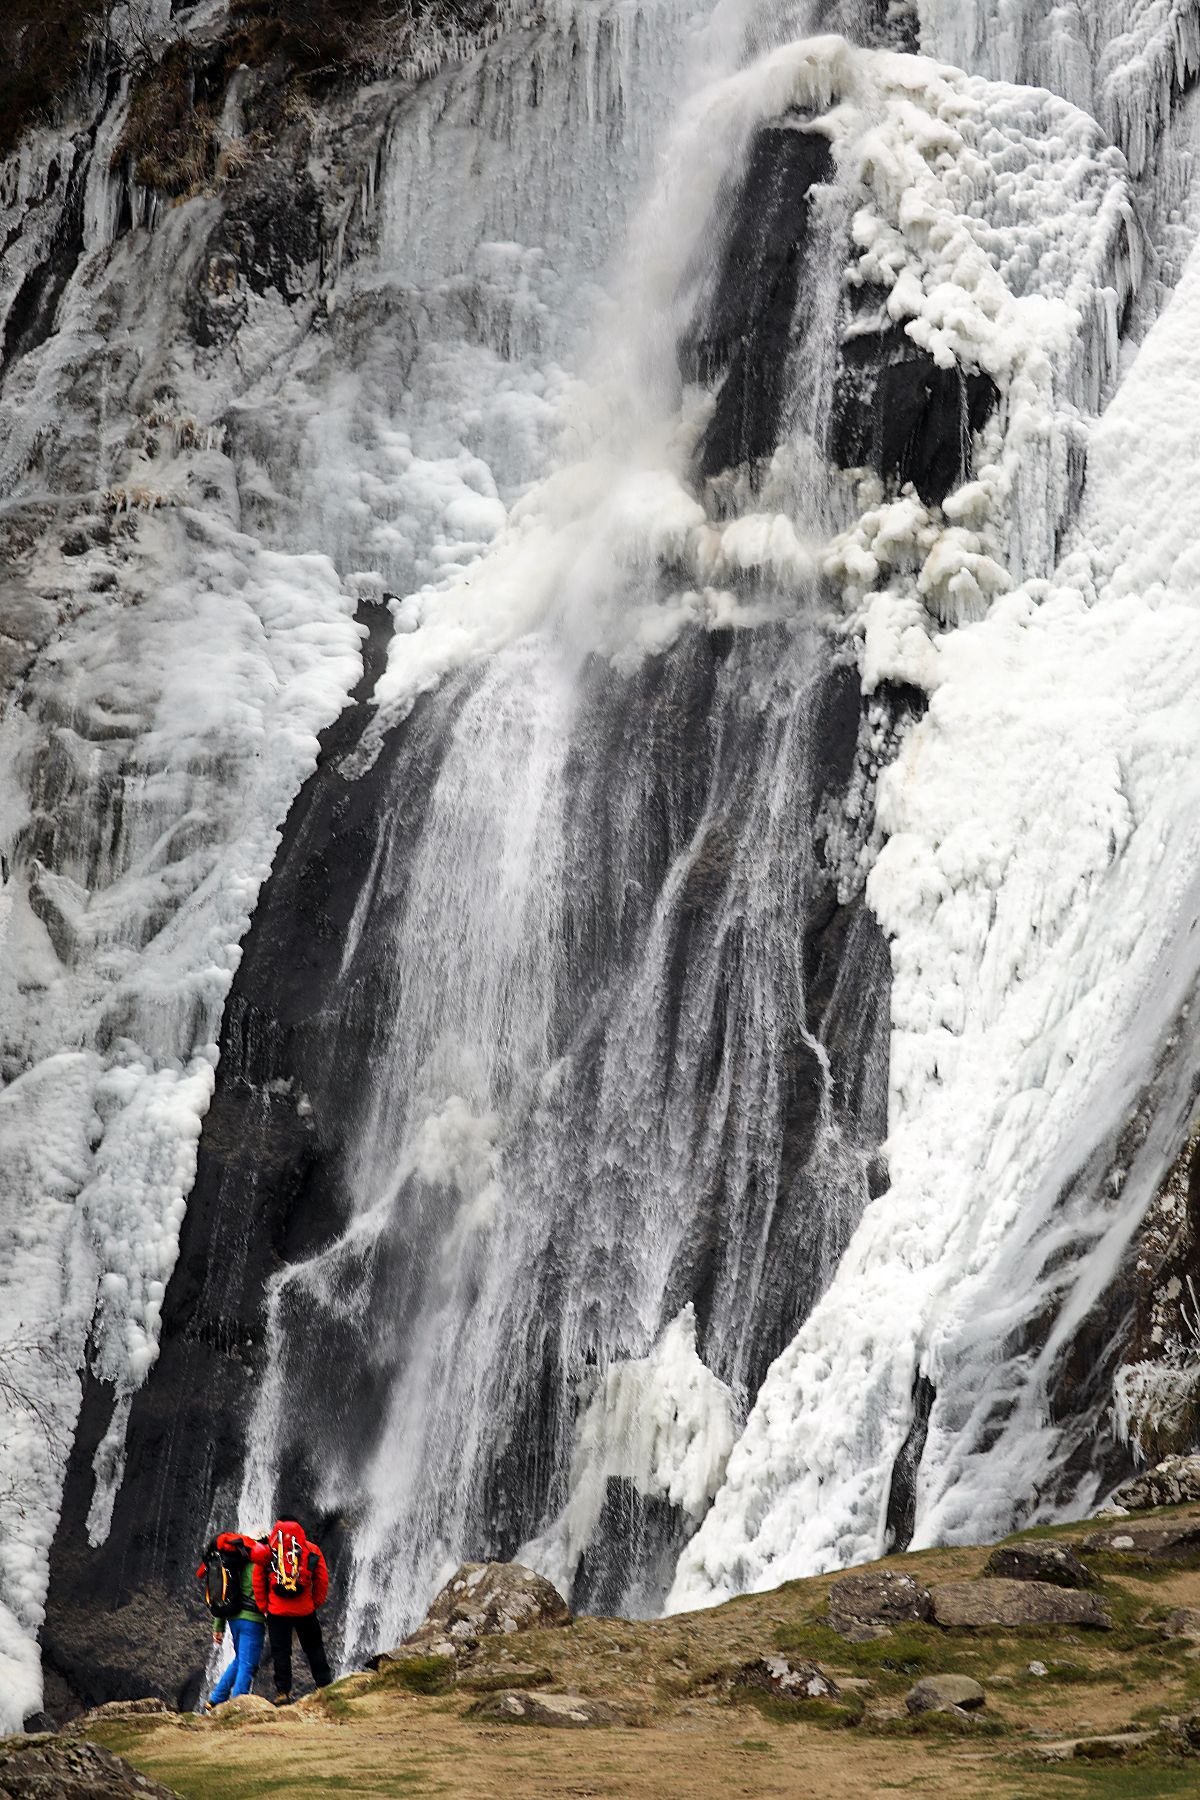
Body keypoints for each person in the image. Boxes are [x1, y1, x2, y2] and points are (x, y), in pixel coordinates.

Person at [252, 1517, 332, 1704]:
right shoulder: (311, 1549)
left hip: (277, 1612)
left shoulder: (268, 1550)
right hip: (305, 1610)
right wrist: (314, 1603)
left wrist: (264, 1607)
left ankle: (283, 1693)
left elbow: (257, 1580)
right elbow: (322, 1579)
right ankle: (325, 1685)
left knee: (281, 1652)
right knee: (314, 1648)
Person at [196, 1530, 269, 1708]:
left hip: (233, 1619)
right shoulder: (259, 1564)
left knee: (239, 1661)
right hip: (252, 1620)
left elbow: (222, 1595)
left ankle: (215, 1699)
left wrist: (218, 1627)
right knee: (248, 1665)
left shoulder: (233, 1563)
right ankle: (237, 1706)